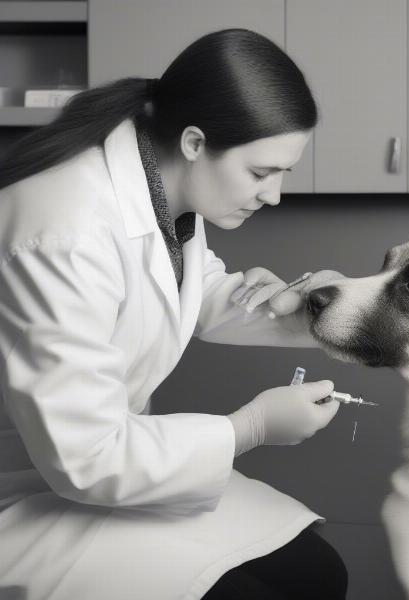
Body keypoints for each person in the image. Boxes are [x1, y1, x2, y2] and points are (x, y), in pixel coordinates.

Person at [0, 29, 348, 600]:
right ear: (194, 142)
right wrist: (249, 429)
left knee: (318, 573)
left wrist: (307, 310)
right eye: (261, 173)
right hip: (39, 486)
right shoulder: (65, 231)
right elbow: (85, 455)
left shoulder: (160, 188)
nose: (275, 195)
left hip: (109, 472)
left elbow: (195, 292)